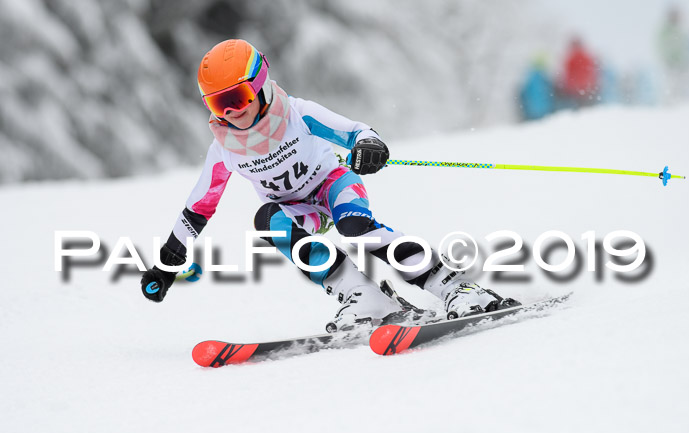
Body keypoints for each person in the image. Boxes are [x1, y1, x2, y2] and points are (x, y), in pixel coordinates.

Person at [139, 39, 518, 330]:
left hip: (332, 184)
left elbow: (356, 132)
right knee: (267, 220)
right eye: (218, 104)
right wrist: (166, 265)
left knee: (356, 229)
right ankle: (365, 297)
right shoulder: (223, 150)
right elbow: (197, 209)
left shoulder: (297, 115)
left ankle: (453, 285)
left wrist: (369, 146)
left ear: (257, 84)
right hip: (299, 210)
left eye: (236, 97)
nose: (231, 112)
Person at [559, 37, 599, 108]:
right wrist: (592, 85)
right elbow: (592, 72)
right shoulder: (587, 57)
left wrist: (567, 87)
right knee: (587, 108)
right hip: (587, 88)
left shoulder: (571, 58)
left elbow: (567, 74)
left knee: (576, 110)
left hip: (574, 89)